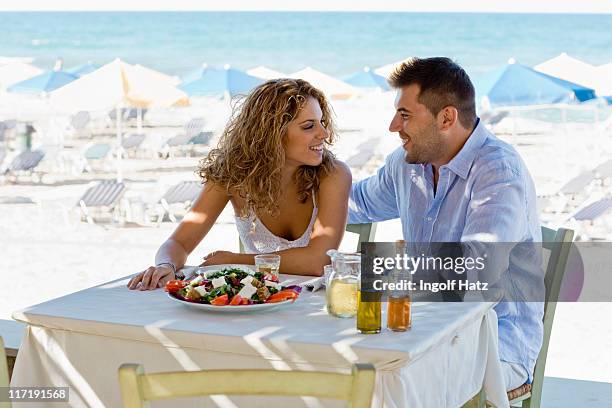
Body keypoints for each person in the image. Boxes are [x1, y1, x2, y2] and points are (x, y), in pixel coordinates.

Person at [348, 57, 544, 392]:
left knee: (387, 386)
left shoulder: (498, 173)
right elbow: (358, 202)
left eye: (405, 114)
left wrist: (382, 270)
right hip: (424, 330)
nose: (393, 126)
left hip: (497, 345)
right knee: (350, 371)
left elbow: (475, 270)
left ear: (446, 117)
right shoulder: (408, 164)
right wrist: (286, 188)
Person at [128, 79, 351, 290]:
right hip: (258, 302)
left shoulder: (333, 175)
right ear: (272, 133)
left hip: (314, 305)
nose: (325, 133)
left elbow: (317, 261)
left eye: (322, 122)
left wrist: (234, 261)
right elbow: (178, 242)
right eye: (309, 126)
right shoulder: (232, 176)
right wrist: (165, 266)